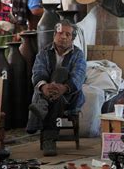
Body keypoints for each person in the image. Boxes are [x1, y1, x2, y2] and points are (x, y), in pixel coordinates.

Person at [26, 20, 87, 156]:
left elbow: (79, 76)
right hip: (50, 94)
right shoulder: (44, 52)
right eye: (60, 33)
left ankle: (41, 112)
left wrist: (63, 88)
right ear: (54, 34)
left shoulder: (78, 54)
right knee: (56, 99)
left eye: (68, 34)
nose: (63, 37)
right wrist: (44, 87)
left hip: (70, 96)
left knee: (62, 72)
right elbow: (38, 72)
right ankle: (49, 139)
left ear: (73, 38)